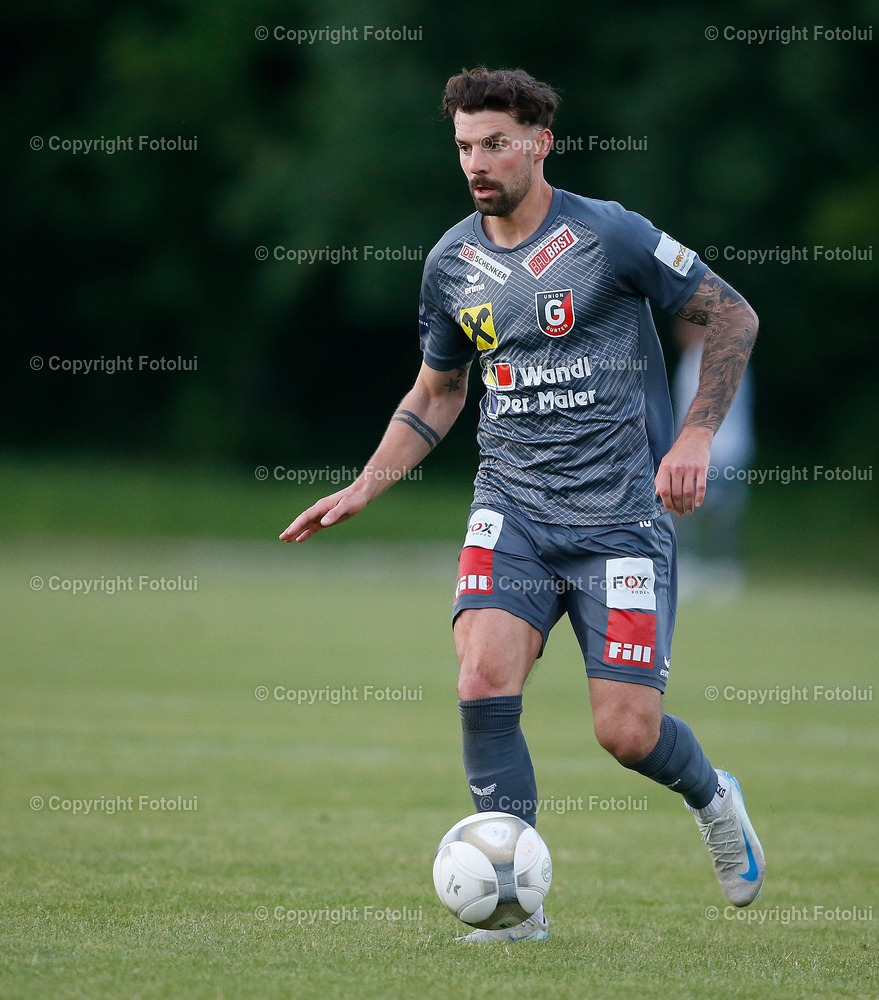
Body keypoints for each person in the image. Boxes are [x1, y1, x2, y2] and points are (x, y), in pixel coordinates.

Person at [281, 66, 763, 943]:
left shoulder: (608, 235)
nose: (478, 161)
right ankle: (512, 909)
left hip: (619, 519)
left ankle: (713, 795)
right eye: (465, 145)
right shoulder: (451, 264)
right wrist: (363, 485)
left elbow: (732, 315)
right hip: (513, 509)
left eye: (496, 142)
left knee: (626, 733)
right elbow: (437, 393)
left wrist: (693, 439)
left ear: (540, 143)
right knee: (482, 678)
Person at [672, 317, 755, 601]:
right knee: (694, 511)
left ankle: (721, 572)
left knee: (716, 513)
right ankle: (696, 567)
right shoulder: (694, 358)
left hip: (718, 449)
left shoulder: (715, 358)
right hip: (713, 449)